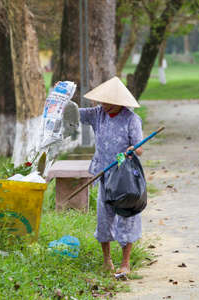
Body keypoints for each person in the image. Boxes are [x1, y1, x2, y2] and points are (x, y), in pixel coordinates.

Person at [77, 77, 144, 278]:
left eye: (108, 102)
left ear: (119, 102)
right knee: (103, 219)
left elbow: (139, 149)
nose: (103, 105)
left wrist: (134, 149)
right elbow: (73, 115)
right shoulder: (98, 115)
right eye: (102, 101)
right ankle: (107, 261)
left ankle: (125, 263)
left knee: (126, 217)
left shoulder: (132, 119)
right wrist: (60, 99)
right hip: (104, 174)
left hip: (125, 178)